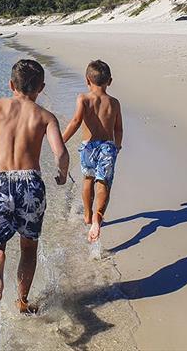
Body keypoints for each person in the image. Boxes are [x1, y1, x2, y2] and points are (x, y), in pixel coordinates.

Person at [0, 59, 70, 312]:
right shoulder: (45, 116)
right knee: (28, 248)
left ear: (11, 84)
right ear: (41, 88)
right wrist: (62, 174)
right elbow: (61, 153)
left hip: (0, 181)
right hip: (31, 184)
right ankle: (22, 302)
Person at [62, 59, 123, 243]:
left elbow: (75, 122)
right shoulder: (114, 102)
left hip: (88, 146)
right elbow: (118, 129)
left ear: (87, 80)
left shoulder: (84, 98)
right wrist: (117, 146)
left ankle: (87, 215)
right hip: (107, 146)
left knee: (88, 179)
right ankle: (98, 216)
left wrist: (61, 140)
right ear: (109, 81)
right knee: (103, 182)